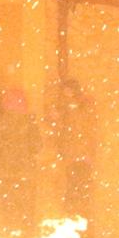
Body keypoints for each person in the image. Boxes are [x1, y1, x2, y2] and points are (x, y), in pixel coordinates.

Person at [0, 84, 40, 235]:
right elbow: (37, 145)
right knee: (19, 211)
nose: (9, 103)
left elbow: (36, 145)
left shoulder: (2, 122)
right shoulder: (6, 122)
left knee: (13, 211)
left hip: (15, 173)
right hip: (16, 173)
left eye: (12, 100)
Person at [50, 76, 98, 221]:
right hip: (71, 157)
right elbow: (64, 133)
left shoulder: (83, 107)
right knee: (71, 192)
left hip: (81, 157)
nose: (67, 97)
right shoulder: (66, 109)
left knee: (80, 193)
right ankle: (72, 222)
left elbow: (84, 130)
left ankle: (80, 225)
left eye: (69, 93)